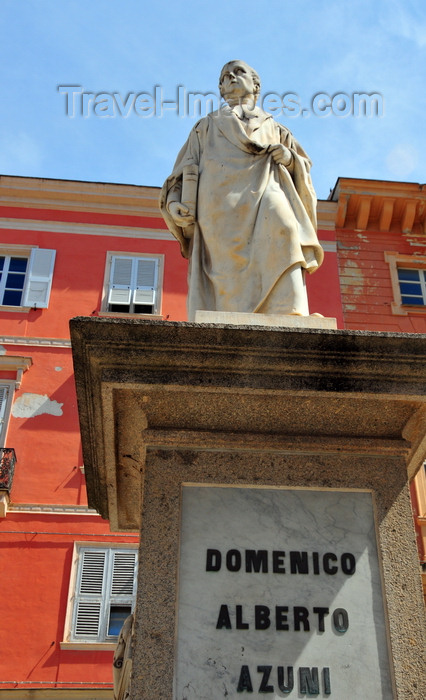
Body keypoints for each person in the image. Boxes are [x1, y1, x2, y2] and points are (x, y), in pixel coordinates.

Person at [160, 60, 323, 320]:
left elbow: (303, 168)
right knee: (224, 269)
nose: (231, 77)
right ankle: (225, 316)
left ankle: (289, 311)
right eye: (225, 76)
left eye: (239, 72)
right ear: (221, 89)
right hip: (218, 204)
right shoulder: (206, 126)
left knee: (285, 227)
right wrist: (174, 202)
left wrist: (290, 158)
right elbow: (183, 169)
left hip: (266, 188)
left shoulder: (275, 128)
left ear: (256, 84)